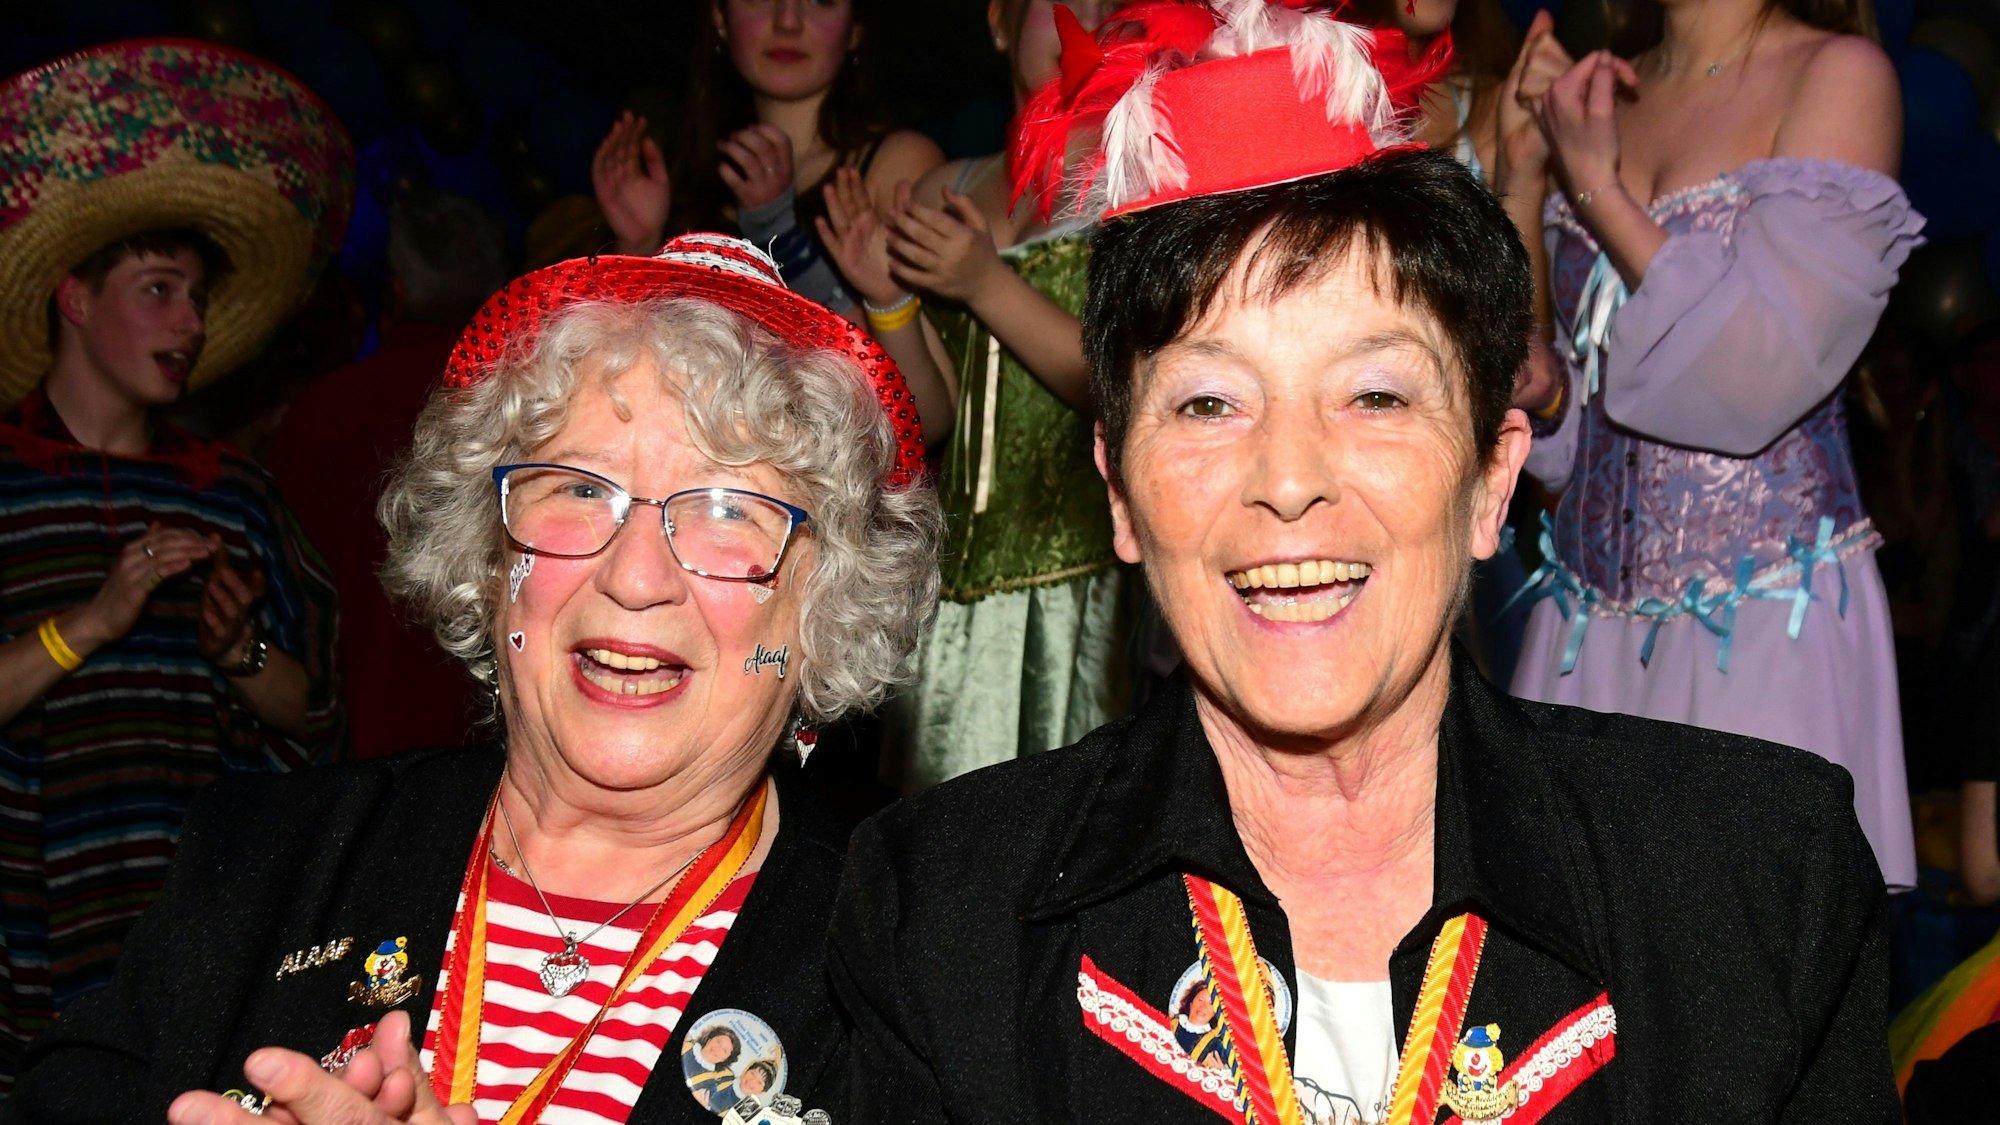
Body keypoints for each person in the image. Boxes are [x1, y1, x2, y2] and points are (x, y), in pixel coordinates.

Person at [829, 3, 1896, 1122]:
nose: (1288, 480)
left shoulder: (1754, 887)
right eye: (1207, 402)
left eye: (1374, 395)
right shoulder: (941, 916)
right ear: (1120, 493)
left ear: (1492, 475)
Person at [7, 234, 940, 1123]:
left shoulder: (913, 962)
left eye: (730, 509)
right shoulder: (267, 853)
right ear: (492, 562)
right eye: (579, 488)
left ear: (826, 603)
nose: (636, 576)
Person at [1500, 0, 1923, 888]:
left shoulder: (1838, 76)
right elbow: (1558, 420)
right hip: (1581, 645)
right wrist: (1524, 178)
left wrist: (1597, 184)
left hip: (1767, 623)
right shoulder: (1605, 87)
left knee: (1737, 988)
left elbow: (1756, 375)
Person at [0, 39, 351, 1084]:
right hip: (23, 959)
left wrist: (243, 652)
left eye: (199, 300)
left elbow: (317, 717)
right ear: (74, 299)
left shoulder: (232, 497)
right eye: (159, 290)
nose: (191, 325)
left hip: (200, 956)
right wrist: (91, 624)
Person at [819, 0, 1141, 788]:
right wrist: (884, 297)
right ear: (998, 20)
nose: (1087, 20)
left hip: (1086, 595)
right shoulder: (944, 191)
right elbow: (934, 415)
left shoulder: (1148, 175)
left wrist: (985, 283)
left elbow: (1129, 389)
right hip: (949, 602)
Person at [265, 188, 510, 758]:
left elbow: (282, 596)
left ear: (394, 293)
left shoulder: (319, 414)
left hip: (342, 751)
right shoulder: (525, 414)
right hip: (487, 749)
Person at [591, 0, 944, 324]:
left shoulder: (898, 164)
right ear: (720, 18)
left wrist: (778, 231)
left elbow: (907, 372)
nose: (787, 21)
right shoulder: (685, 169)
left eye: (820, 0)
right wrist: (637, 248)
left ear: (855, 28)